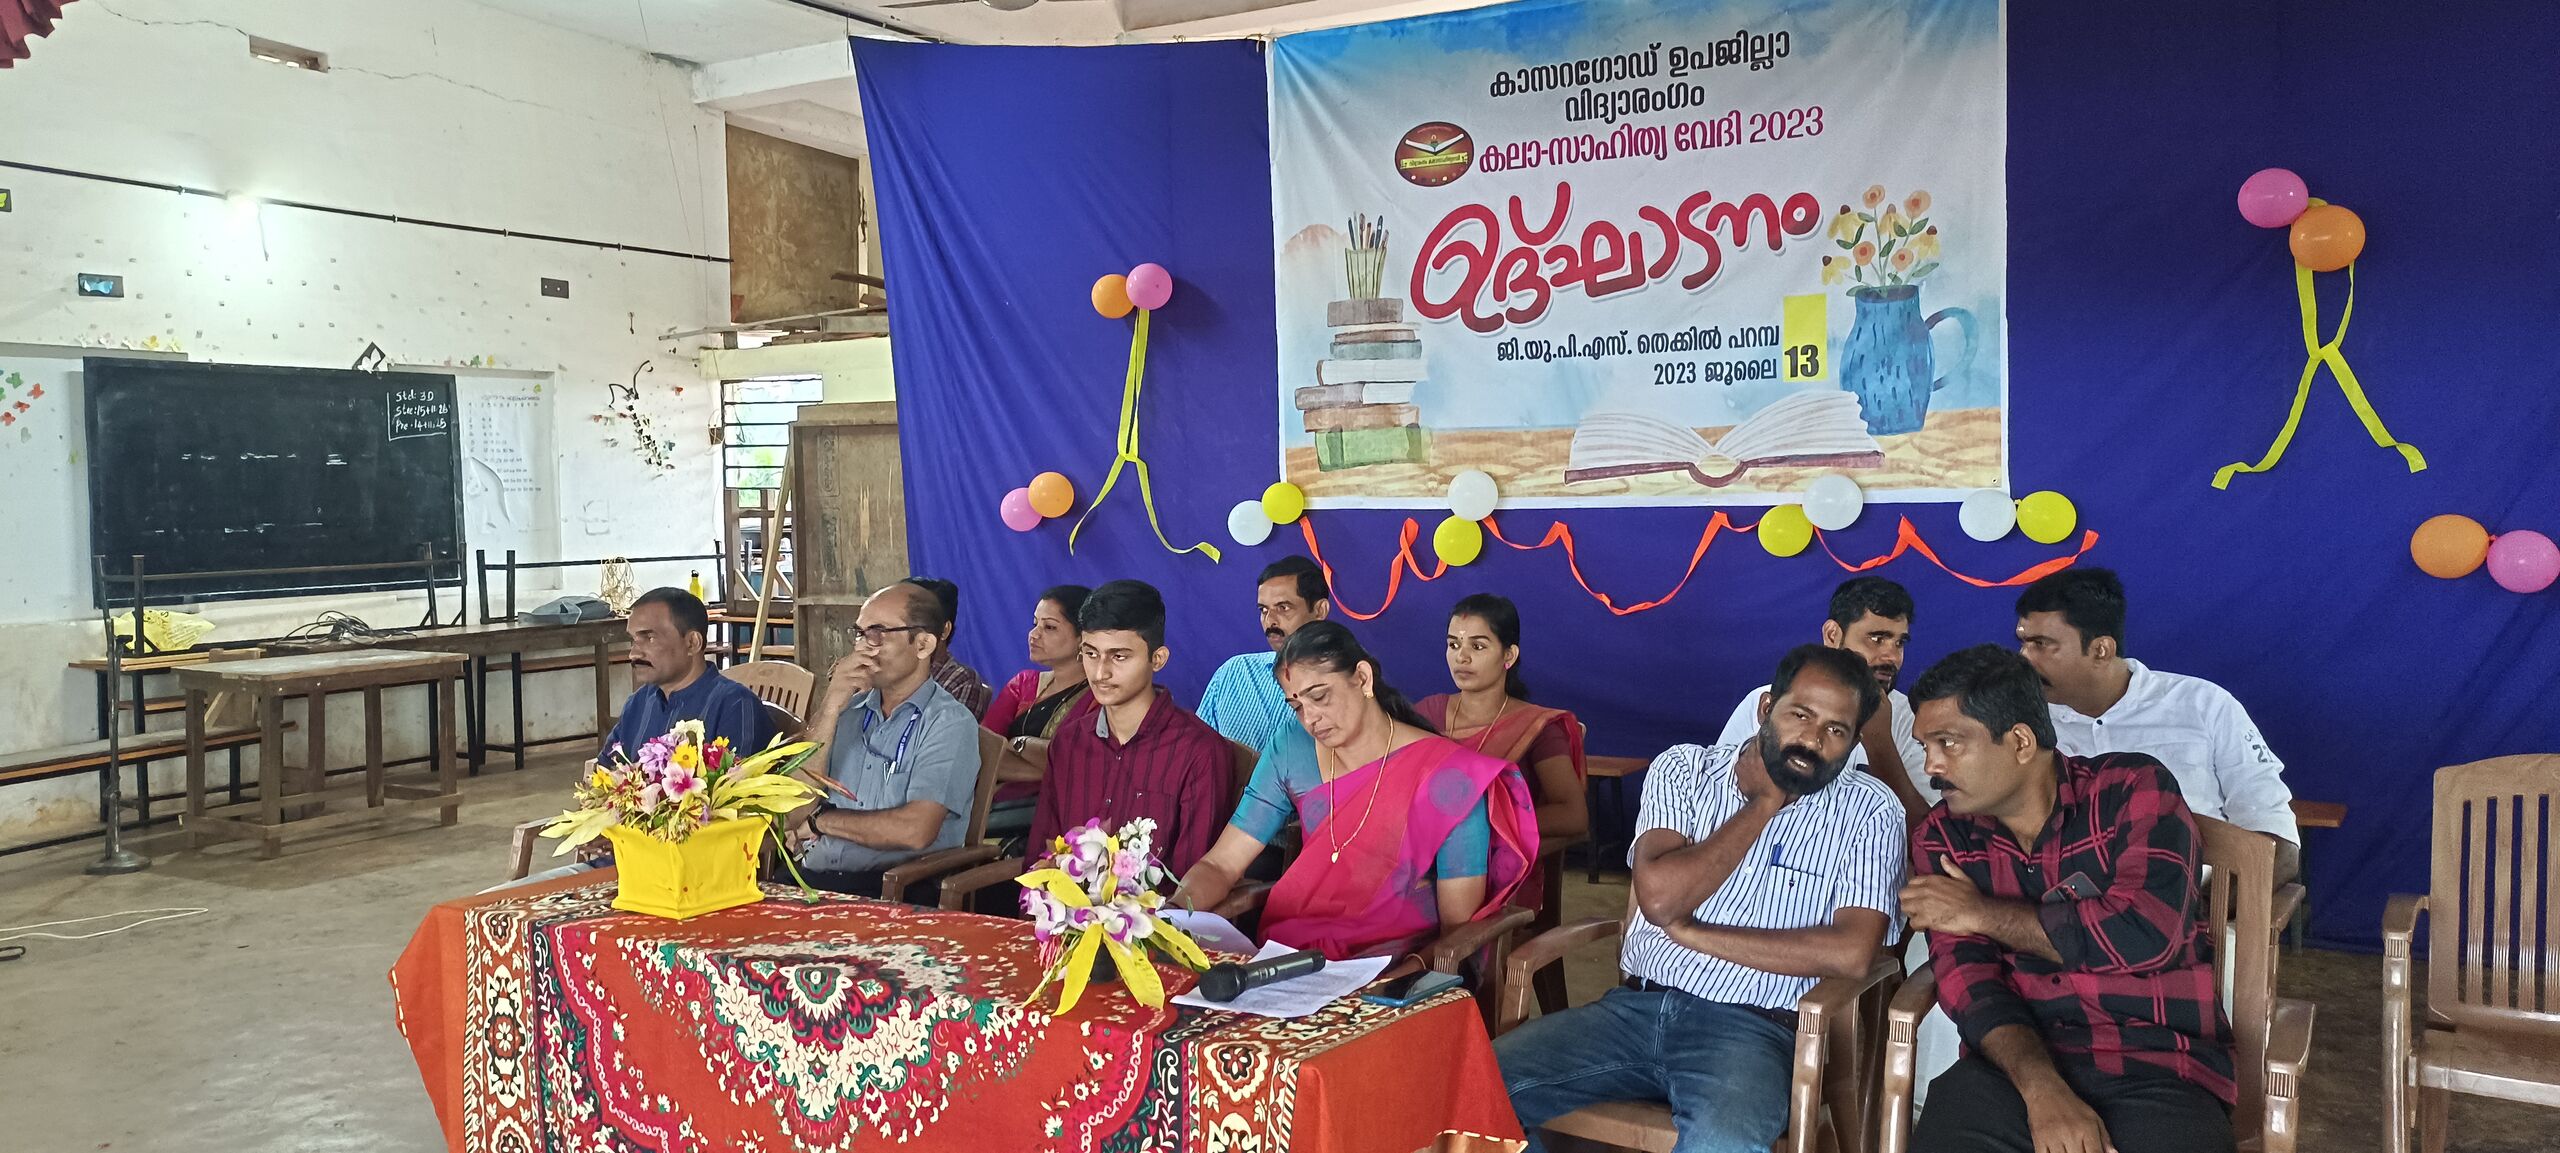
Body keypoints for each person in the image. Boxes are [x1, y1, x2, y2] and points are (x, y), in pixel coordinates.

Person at [1496, 645, 1905, 1153]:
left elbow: (1851, 952)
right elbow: (1660, 899)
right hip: (1633, 1011)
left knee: (1721, 1140)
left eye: (1836, 730)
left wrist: (1693, 934)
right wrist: (1764, 803)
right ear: (1766, 709)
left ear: (1854, 742)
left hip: (1755, 1033)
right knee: (1477, 1085)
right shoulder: (1684, 770)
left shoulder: (1871, 811)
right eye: (1800, 715)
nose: (1812, 739)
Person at [1902, 644, 2234, 1153]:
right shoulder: (1944, 838)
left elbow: (2147, 935)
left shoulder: (2132, 790)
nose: (1931, 766)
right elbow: (1970, 982)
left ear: (2019, 741)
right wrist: (2043, 1091)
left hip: (2158, 1065)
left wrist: (1981, 913)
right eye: (1925, 746)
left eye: (1947, 743)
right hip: (2015, 1066)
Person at [1176, 620, 1537, 960]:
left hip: (1395, 966)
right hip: (1292, 959)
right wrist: (1170, 914)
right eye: (1297, 706)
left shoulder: (1449, 776)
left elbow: (1456, 933)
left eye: (1320, 696)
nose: (1310, 718)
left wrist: (1401, 978)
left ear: (1363, 678)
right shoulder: (1291, 747)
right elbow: (1221, 864)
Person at [2014, 568, 2298, 880]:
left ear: (2100, 650)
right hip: (2056, 904)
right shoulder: (2019, 724)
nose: (2024, 658)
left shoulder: (2205, 705)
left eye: (2041, 644)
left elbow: (2275, 837)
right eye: (2023, 642)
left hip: (2202, 902)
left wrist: (2215, 902)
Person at [787, 582, 985, 895]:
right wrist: (830, 706)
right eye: (859, 633)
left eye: (878, 633)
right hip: (813, 875)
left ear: (923, 645)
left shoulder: (949, 722)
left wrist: (821, 821)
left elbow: (915, 830)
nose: (862, 648)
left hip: (892, 888)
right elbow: (792, 810)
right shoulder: (847, 712)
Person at [1025, 580, 1230, 876]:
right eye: (1091, 653)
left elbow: (1194, 881)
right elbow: (1041, 856)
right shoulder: (1069, 742)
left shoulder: (1198, 751)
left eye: (1119, 656)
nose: (1100, 672)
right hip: (1065, 904)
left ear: (1157, 659)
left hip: (1159, 906)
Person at [1716, 576, 1929, 824]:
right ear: (1832, 635)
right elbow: (1714, 795)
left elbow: (1927, 834)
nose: (1892, 657)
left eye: (1899, 643)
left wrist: (1881, 744)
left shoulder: (1913, 719)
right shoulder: (1768, 701)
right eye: (1876, 639)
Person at [1416, 593, 1588, 843]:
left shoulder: (1536, 727)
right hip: (1427, 855)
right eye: (1453, 645)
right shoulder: (1427, 714)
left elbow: (1573, 815)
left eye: (1477, 646)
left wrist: (1489, 824)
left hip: (1500, 861)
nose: (1461, 657)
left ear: (1509, 655)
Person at [600, 586, 771, 760]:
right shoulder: (638, 703)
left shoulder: (735, 706)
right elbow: (605, 768)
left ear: (692, 643)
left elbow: (740, 777)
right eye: (633, 640)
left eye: (650, 638)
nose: (634, 654)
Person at [981, 585, 1094, 841]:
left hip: (1061, 822)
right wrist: (1048, 767)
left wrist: (1017, 744)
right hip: (996, 810)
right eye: (1035, 624)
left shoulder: (1099, 697)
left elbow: (1082, 768)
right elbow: (982, 751)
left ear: (1083, 638)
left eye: (1049, 627)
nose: (1034, 635)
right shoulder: (1023, 684)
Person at [1195, 556, 1330, 753]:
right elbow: (1196, 753)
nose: (1270, 621)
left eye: (1283, 608)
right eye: (1263, 610)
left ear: (1319, 611)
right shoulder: (1233, 673)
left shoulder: (1345, 682)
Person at [903, 576, 994, 719]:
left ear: (944, 630)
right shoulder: (886, 670)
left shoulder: (961, 680)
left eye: (914, 622)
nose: (902, 631)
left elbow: (948, 732)